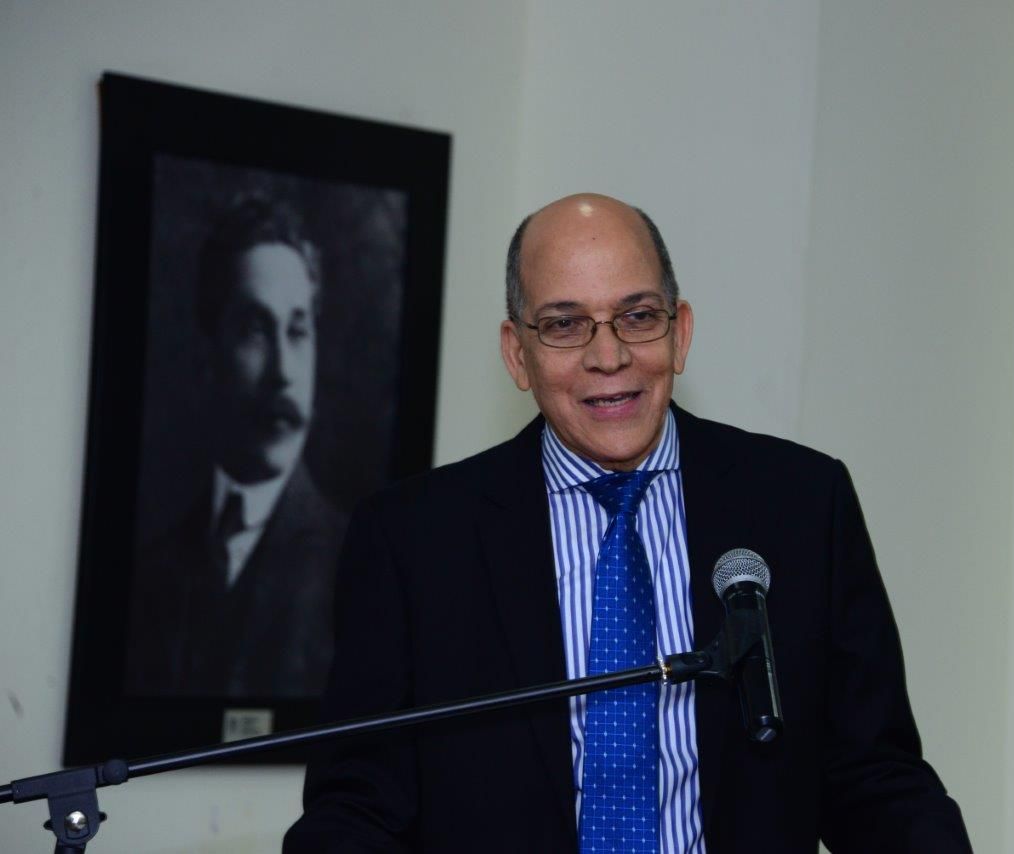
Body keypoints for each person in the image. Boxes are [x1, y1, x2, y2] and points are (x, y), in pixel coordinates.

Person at [284, 194, 971, 851]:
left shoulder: (800, 504)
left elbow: (875, 782)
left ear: (682, 332)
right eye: (564, 323)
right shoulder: (412, 539)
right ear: (517, 353)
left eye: (638, 316)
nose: (608, 357)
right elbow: (355, 810)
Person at [126, 194, 343, 698]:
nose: (283, 372)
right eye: (254, 330)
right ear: (209, 354)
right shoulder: (152, 568)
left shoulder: (358, 562)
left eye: (297, 330)